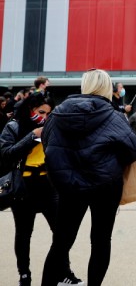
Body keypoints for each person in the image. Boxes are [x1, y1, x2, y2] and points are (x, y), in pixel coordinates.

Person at [40, 69, 136, 286]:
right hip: (106, 184)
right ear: (107, 86)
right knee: (101, 241)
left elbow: (47, 144)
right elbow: (133, 148)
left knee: (61, 242)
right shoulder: (114, 115)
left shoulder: (58, 114)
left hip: (69, 186)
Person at [0, 93, 83, 286]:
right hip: (23, 188)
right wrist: (32, 136)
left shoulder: (52, 127)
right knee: (23, 233)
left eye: (49, 113)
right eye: (40, 112)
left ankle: (64, 273)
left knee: (61, 233)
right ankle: (24, 275)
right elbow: (6, 155)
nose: (44, 118)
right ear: (30, 110)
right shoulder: (14, 126)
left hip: (49, 185)